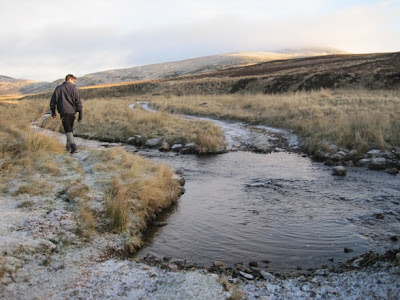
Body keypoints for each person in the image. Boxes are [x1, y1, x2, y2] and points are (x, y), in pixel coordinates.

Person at [50, 74, 83, 154]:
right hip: (73, 113)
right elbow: (78, 101)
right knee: (69, 129)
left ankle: (73, 147)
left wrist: (53, 112)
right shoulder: (74, 88)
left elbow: (53, 102)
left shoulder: (58, 88)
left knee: (68, 130)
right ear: (69, 79)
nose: (74, 83)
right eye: (74, 81)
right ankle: (69, 148)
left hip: (63, 112)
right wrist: (80, 113)